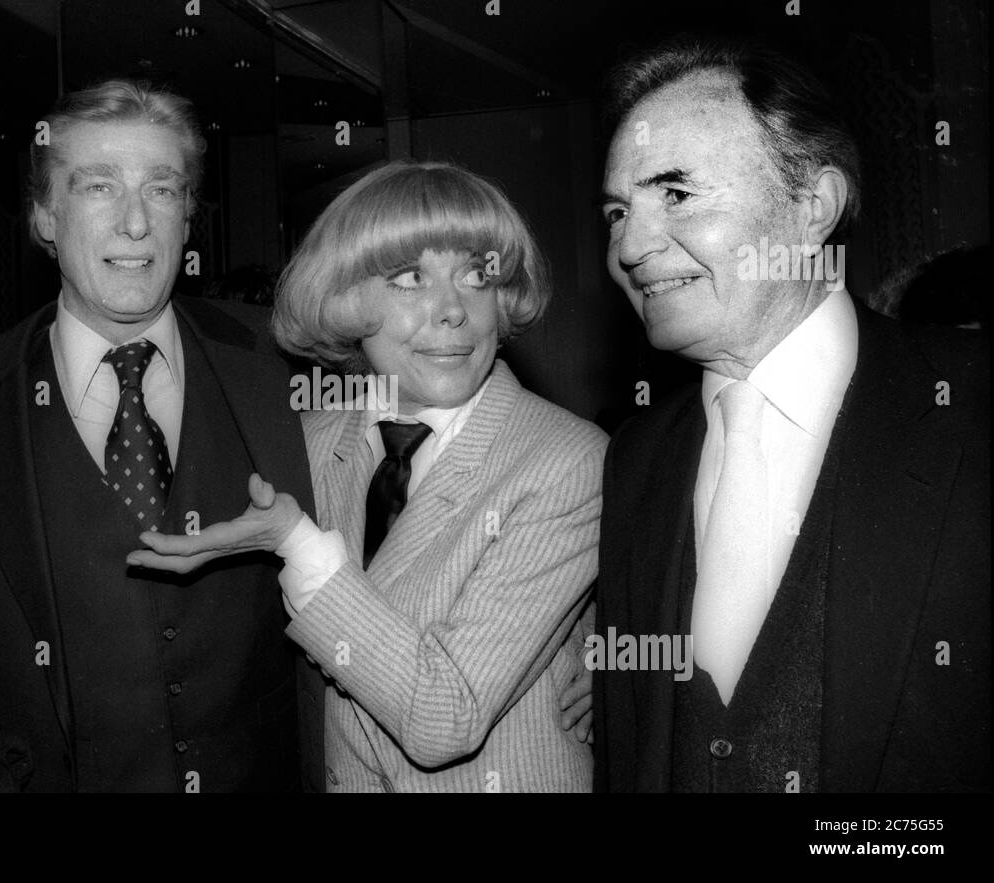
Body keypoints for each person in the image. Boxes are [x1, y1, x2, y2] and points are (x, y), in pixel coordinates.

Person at [130, 161, 604, 792]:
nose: (452, 312)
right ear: (347, 300)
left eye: (476, 276)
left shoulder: (563, 459)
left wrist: (299, 544)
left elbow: (444, 720)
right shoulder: (305, 440)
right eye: (410, 278)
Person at [595, 36, 990, 792]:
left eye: (675, 193)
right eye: (618, 211)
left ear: (813, 207)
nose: (631, 247)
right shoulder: (635, 454)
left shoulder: (973, 403)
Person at [0, 79, 317, 792]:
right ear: (45, 215)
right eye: (99, 188)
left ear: (189, 217)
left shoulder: (281, 365)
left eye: (163, 190)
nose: (137, 223)